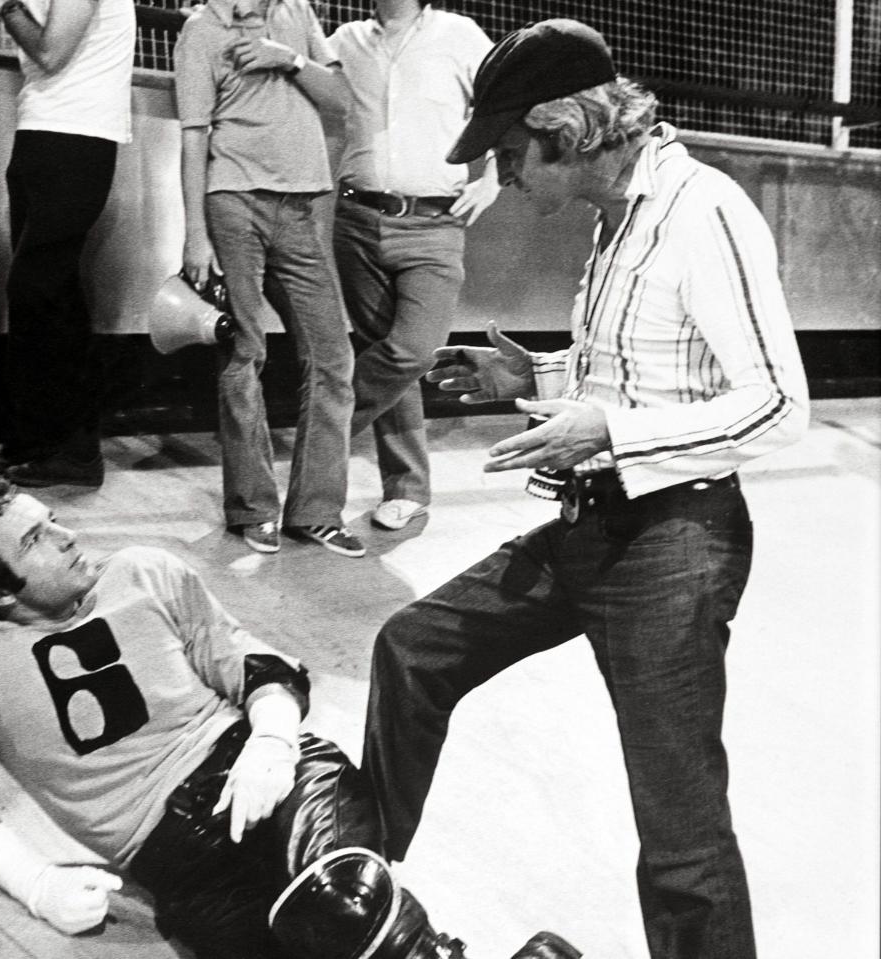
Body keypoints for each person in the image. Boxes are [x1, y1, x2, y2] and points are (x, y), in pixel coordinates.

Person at [361, 19, 810, 959]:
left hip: (675, 543)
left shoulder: (703, 209)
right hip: (589, 527)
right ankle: (345, 889)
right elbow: (648, 375)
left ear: (566, 132)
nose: (507, 175)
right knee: (412, 649)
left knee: (681, 837)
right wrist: (536, 384)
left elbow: (775, 404)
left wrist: (609, 427)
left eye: (513, 153)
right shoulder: (618, 221)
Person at [0, 482, 580, 959]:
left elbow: (259, 666)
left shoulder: (144, 571)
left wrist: (271, 738)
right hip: (176, 861)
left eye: (55, 519)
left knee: (336, 904)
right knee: (301, 943)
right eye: (36, 539)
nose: (68, 536)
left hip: (277, 776)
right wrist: (31, 882)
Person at [174, 0, 364, 558]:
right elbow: (193, 135)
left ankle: (316, 512)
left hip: (303, 207)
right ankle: (253, 509)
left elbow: (340, 102)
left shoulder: (296, 14)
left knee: (333, 358)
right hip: (235, 201)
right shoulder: (201, 29)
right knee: (243, 352)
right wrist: (194, 234)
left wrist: (288, 59)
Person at [328, 0, 501, 532]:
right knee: (381, 347)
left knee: (412, 351)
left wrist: (494, 175)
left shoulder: (460, 34)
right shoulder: (344, 42)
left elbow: (505, 103)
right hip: (356, 219)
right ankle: (407, 489)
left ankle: (321, 436)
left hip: (434, 223)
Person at [0, 0, 136, 488]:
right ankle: (46, 441)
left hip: (78, 138)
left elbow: (51, 53)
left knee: (35, 289)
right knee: (52, 294)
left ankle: (75, 448)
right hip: (42, 132)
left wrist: (6, 6)